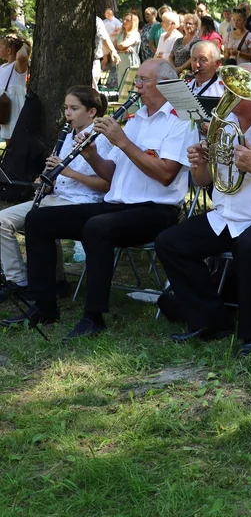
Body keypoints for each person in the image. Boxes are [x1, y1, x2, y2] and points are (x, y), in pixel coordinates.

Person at [8, 59, 199, 339]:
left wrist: (122, 141)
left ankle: (93, 317)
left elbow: (166, 174)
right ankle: (44, 306)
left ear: (165, 85)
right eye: (138, 80)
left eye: (144, 80)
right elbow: (110, 171)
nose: (137, 86)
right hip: (118, 205)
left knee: (97, 227)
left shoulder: (181, 122)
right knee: (38, 219)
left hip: (156, 211)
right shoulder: (136, 121)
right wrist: (92, 155)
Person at [156, 64, 251, 354]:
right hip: (226, 215)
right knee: (170, 242)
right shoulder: (222, 124)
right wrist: (200, 164)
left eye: (241, 88)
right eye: (229, 87)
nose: (231, 93)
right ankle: (211, 319)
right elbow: (205, 181)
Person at [0, 87, 110, 303]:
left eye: (74, 108)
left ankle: (53, 282)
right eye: (66, 108)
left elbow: (106, 185)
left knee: (41, 223)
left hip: (83, 203)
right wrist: (47, 181)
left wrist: (68, 172)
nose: (68, 113)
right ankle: (20, 280)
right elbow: (58, 176)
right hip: (56, 197)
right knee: (2, 221)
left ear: (92, 112)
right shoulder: (67, 136)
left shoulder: (103, 140)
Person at [0, 34, 29, 141]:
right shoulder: (2, 67)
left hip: (15, 110)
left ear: (9, 51)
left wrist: (25, 45)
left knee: (16, 140)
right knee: (8, 141)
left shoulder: (17, 66)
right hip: (4, 110)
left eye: (0, 47)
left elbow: (22, 56)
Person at [114, 13, 142, 97]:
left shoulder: (134, 34)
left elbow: (122, 45)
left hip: (131, 62)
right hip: (121, 62)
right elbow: (113, 46)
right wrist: (123, 50)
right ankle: (123, 107)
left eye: (127, 20)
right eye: (124, 19)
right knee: (121, 85)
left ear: (133, 22)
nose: (124, 21)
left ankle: (132, 109)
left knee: (130, 87)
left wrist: (119, 49)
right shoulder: (121, 34)